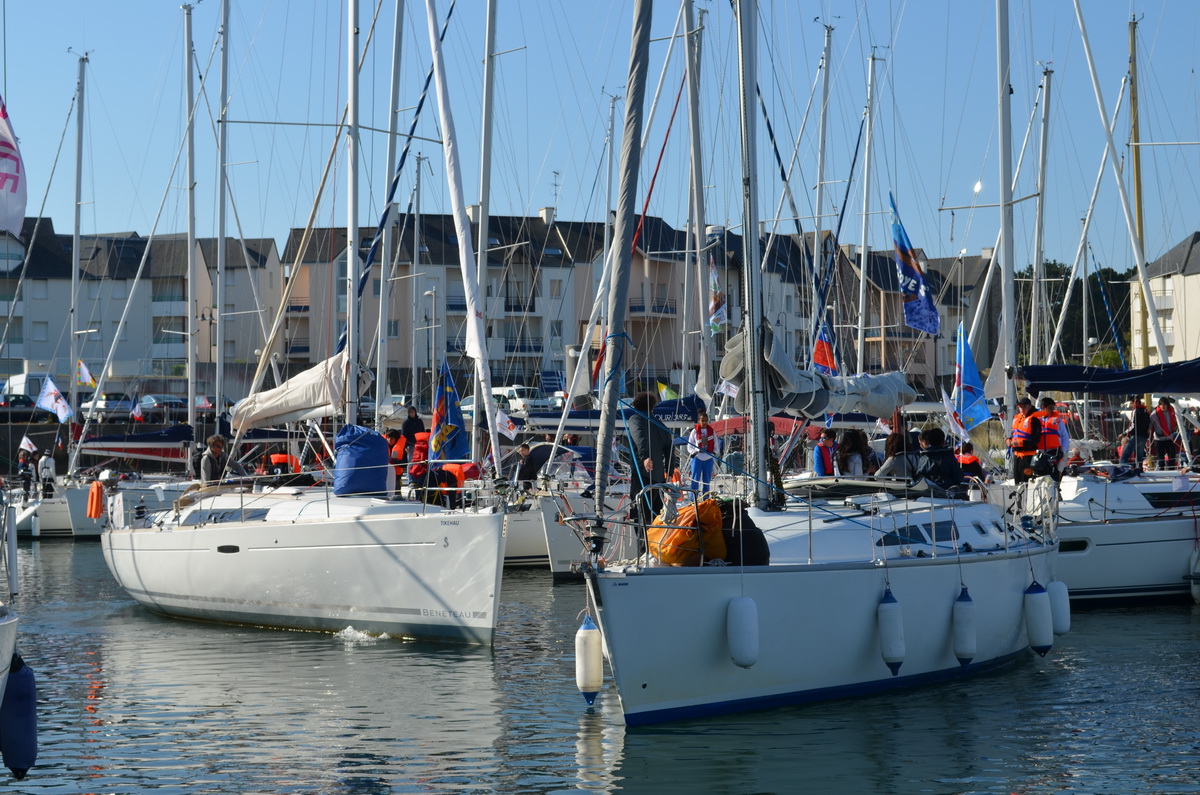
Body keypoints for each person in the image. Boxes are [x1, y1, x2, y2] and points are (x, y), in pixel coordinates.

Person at [627, 391, 674, 523]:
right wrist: (669, 471)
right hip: (659, 479)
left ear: (636, 405)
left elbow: (640, 438)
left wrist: (645, 457)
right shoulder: (660, 424)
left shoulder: (635, 419)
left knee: (640, 515)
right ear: (652, 407)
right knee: (655, 518)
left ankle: (642, 537)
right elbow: (670, 447)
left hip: (642, 474)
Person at [912, 428, 963, 492]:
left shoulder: (924, 458)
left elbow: (918, 478)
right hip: (947, 493)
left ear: (929, 441)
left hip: (928, 493)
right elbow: (958, 478)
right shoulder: (949, 456)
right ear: (943, 441)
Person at [1033, 396, 1069, 481]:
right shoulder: (1036, 420)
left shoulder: (1058, 421)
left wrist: (1062, 451)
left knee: (1053, 476)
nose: (1052, 410)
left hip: (1053, 452)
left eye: (1053, 408)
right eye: (1050, 408)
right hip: (1040, 453)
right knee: (1039, 477)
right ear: (1043, 408)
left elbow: (1065, 437)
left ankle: (1055, 486)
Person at [1007, 396, 1041, 484]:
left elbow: (1036, 439)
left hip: (1028, 456)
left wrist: (1021, 443)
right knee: (1017, 481)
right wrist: (1008, 440)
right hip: (1017, 456)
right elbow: (1014, 433)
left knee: (1027, 482)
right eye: (1020, 406)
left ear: (1029, 406)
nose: (1022, 409)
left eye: (1024, 406)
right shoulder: (1017, 418)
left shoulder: (1034, 419)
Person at [686, 411, 721, 495]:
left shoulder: (712, 432)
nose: (705, 422)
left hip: (708, 459)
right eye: (703, 420)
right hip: (697, 458)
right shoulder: (694, 432)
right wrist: (696, 452)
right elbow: (689, 447)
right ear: (699, 421)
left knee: (707, 481)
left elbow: (716, 447)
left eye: (706, 420)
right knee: (695, 480)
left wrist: (712, 453)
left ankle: (705, 498)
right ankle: (693, 499)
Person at [1150, 396, 1181, 468]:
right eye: (1161, 405)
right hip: (1159, 439)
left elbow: (1176, 421)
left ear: (1167, 405)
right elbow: (1150, 424)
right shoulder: (1154, 414)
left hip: (1169, 438)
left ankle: (1172, 470)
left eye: (1164, 405)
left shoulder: (1172, 412)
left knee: (1172, 456)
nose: (1162, 406)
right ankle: (1161, 470)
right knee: (1160, 459)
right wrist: (1148, 429)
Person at [1120, 397, 1151, 465]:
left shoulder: (1135, 411)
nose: (1131, 405)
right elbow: (1149, 423)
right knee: (1139, 456)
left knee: (1125, 454)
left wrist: (1123, 434)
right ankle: (1139, 468)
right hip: (1143, 437)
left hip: (1136, 436)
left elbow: (1132, 426)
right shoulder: (1145, 411)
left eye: (1131, 403)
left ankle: (1122, 466)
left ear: (1136, 403)